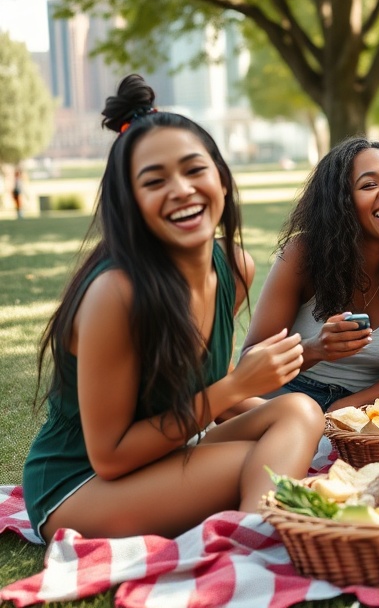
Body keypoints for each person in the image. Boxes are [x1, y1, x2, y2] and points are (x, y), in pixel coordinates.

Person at [21, 75, 324, 543]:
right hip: (81, 486)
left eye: (193, 170)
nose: (181, 189)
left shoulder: (234, 269)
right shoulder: (116, 295)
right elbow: (111, 455)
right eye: (155, 181)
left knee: (300, 412)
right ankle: (247, 557)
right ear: (132, 204)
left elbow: (207, 382)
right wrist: (238, 386)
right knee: (261, 466)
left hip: (168, 453)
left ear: (221, 179)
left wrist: (273, 407)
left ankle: (255, 527)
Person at [241, 137, 379, 411]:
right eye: (369, 185)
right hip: (287, 401)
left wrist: (345, 408)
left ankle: (331, 434)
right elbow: (249, 361)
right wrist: (315, 349)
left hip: (360, 404)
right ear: (342, 203)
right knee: (229, 401)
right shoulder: (303, 253)